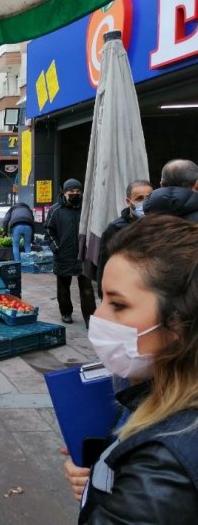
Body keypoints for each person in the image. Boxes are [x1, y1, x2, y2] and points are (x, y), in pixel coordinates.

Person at [60, 214, 198, 523]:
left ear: (177, 323)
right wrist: (102, 481)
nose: (99, 316)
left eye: (118, 305)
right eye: (102, 298)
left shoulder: (163, 467)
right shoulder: (154, 395)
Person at [44, 178, 96, 325]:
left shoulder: (87, 209)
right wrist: (56, 248)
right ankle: (66, 312)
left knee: (87, 288)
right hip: (63, 254)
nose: (75, 194)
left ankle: (90, 318)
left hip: (84, 254)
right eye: (72, 191)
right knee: (63, 287)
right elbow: (48, 230)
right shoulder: (55, 210)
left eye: (78, 191)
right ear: (64, 192)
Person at [95, 179, 152, 298]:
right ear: (128, 201)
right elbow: (104, 265)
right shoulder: (115, 229)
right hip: (126, 292)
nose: (144, 203)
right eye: (139, 198)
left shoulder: (160, 225)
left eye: (148, 198)